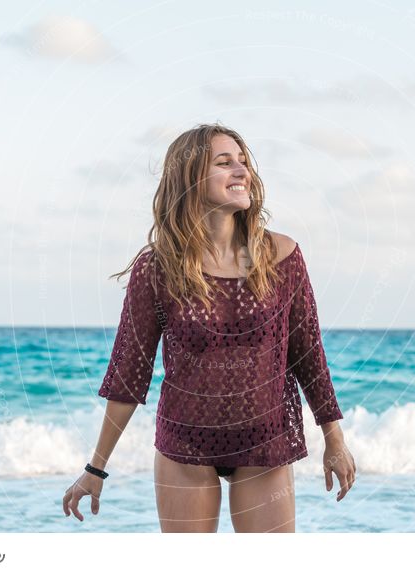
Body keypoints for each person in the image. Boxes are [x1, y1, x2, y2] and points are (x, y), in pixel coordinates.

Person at [62, 123, 356, 532]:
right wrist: (96, 468)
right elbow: (129, 376)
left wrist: (334, 439)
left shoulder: (283, 258)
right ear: (191, 179)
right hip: (184, 446)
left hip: (264, 443)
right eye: (224, 162)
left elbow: (309, 356)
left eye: (243, 162)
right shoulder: (157, 268)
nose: (241, 171)